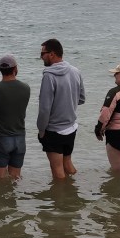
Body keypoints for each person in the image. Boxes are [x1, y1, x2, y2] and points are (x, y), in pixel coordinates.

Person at [36, 38, 86, 180]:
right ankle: (75, 190)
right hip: (71, 127)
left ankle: (62, 200)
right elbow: (82, 99)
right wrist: (68, 104)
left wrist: (41, 130)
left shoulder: (49, 75)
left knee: (57, 169)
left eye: (42, 54)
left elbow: (45, 109)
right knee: (67, 163)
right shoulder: (75, 71)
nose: (41, 57)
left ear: (52, 54)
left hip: (54, 130)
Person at [0, 54, 30, 179]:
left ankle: (2, 198)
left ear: (0, 70)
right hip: (20, 138)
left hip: (1, 138)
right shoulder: (26, 88)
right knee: (15, 177)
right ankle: (13, 198)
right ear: (15, 69)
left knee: (0, 180)